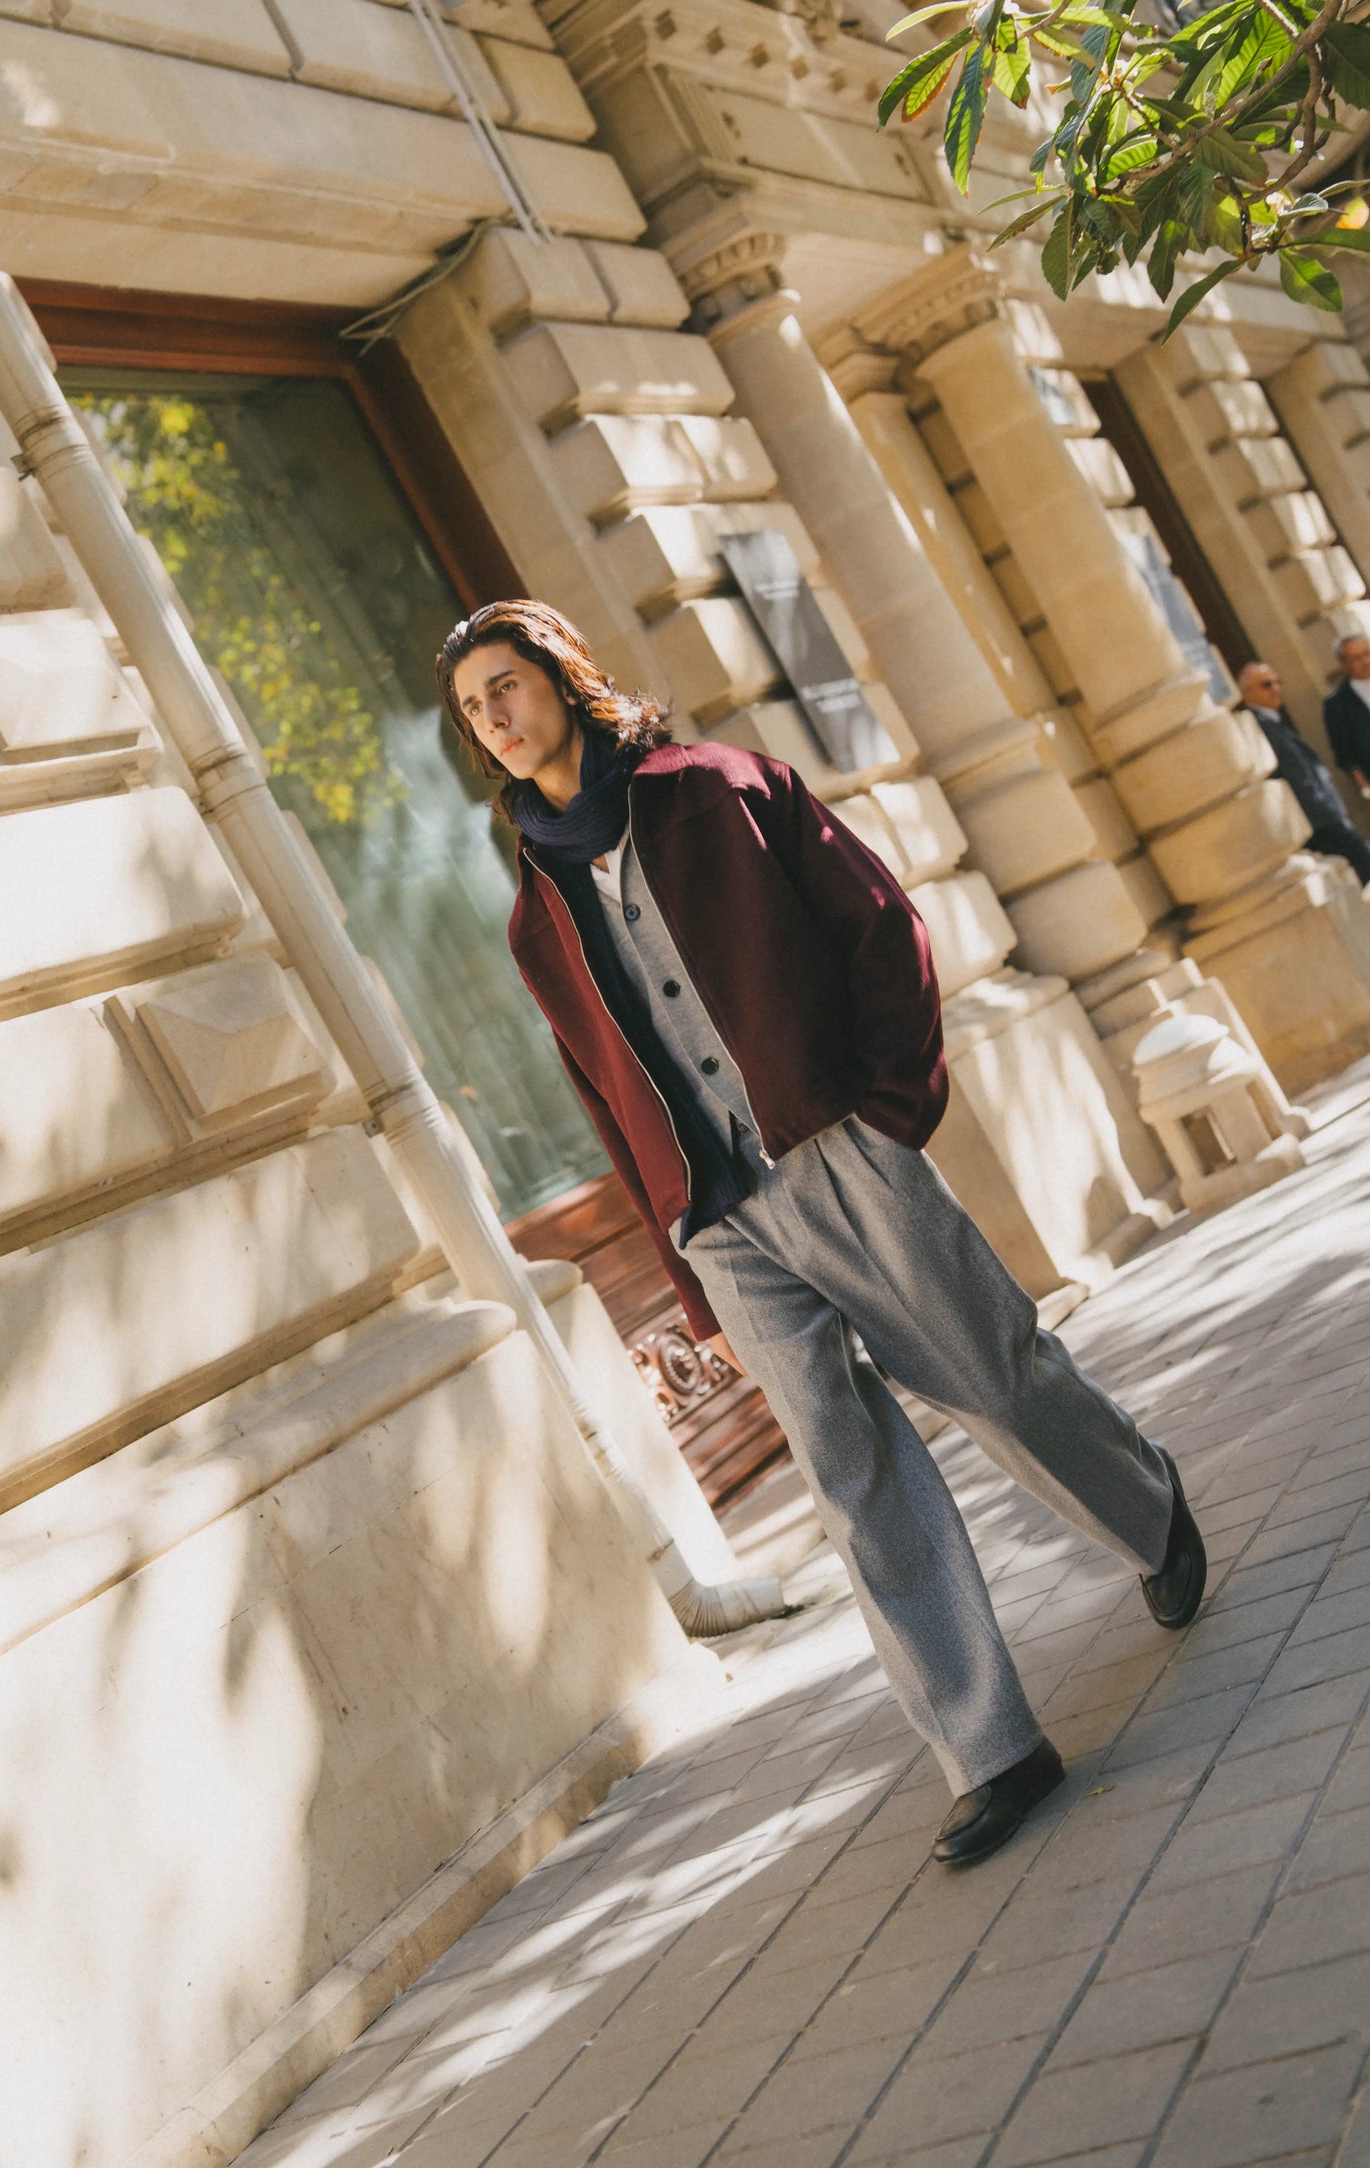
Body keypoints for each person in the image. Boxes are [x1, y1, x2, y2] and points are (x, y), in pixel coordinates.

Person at [438, 600, 1206, 1868]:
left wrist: (891, 1104)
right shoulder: (535, 912)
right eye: (472, 706)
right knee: (849, 1475)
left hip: (837, 1147)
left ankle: (1151, 1505)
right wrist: (683, 1252)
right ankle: (990, 1746)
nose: (493, 717)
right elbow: (605, 1099)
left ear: (564, 680)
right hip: (725, 1225)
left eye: (506, 685)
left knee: (991, 1378)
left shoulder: (716, 790)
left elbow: (879, 922)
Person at [1238, 660, 1370, 885]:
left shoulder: (1272, 722)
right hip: (1318, 822)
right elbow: (1297, 780)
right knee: (1367, 860)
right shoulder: (1258, 726)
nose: (1276, 689)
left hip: (1323, 818)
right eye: (1266, 685)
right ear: (1246, 693)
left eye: (1278, 682)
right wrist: (1330, 816)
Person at [1323, 634, 1370, 861]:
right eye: (1356, 657)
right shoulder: (1338, 704)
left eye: (1366, 654)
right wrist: (1368, 792)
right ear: (1342, 664)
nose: (1364, 661)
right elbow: (1345, 756)